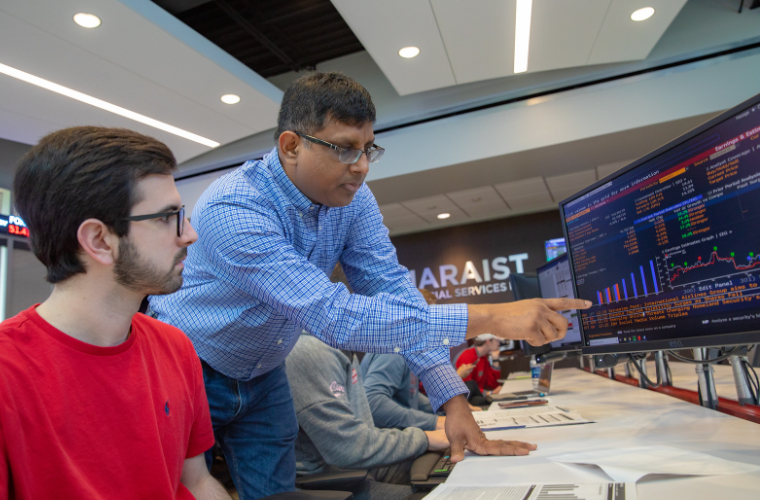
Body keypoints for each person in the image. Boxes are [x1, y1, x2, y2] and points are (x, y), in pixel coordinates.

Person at [149, 71, 590, 499]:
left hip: (264, 372)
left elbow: (391, 289)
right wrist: (490, 316)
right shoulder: (234, 206)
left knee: (277, 496)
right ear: (291, 146)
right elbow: (333, 315)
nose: (360, 167)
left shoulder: (354, 200)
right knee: (181, 491)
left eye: (367, 149)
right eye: (344, 149)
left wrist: (452, 404)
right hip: (190, 366)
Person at [1, 127, 231, 499]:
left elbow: (196, 481)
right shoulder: (9, 373)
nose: (189, 234)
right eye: (167, 217)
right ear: (99, 241)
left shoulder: (176, 348)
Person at [286, 331, 449, 500]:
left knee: (445, 472)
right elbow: (348, 448)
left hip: (354, 465)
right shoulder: (312, 352)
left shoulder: (342, 349)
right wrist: (426, 438)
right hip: (325, 482)